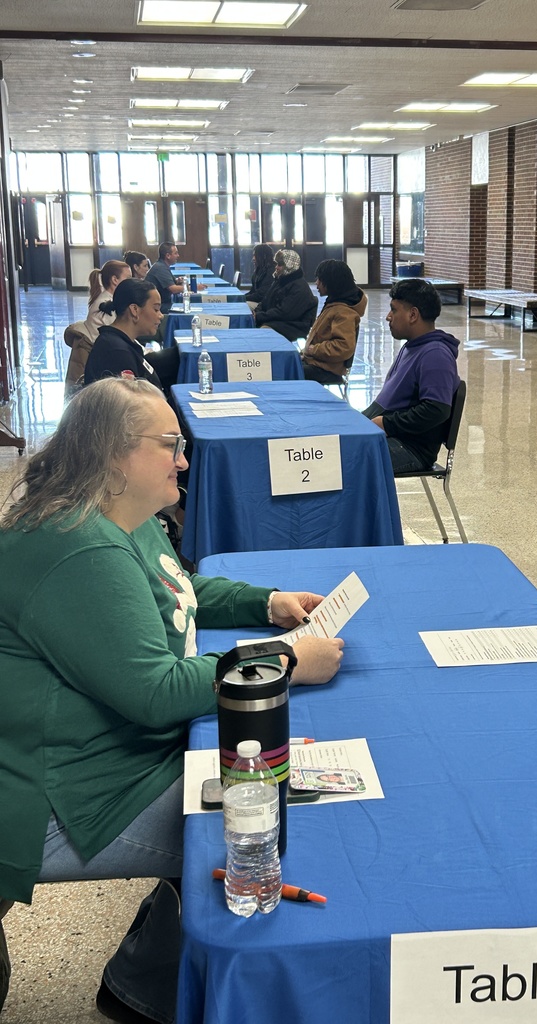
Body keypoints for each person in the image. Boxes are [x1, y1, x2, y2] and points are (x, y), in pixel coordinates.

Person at [0, 377, 344, 1023]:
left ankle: (144, 986)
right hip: (64, 791)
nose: (185, 459)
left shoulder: (117, 518)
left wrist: (267, 604)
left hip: (102, 757)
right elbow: (157, 692)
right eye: (171, 444)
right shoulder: (81, 547)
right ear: (113, 455)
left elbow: (180, 590)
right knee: (258, 823)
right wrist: (285, 661)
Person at [363, 278, 459, 473]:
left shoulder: (435, 354)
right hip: (392, 436)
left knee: (341, 457)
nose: (388, 316)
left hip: (409, 448)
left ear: (413, 314)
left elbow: (436, 410)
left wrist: (386, 423)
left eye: (394, 310)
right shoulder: (413, 346)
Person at [83, 279, 170, 391]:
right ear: (134, 310)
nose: (161, 316)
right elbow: (132, 404)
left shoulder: (123, 342)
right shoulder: (117, 353)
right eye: (156, 309)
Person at [64, 260, 132, 395]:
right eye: (128, 278)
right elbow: (120, 335)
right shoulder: (106, 306)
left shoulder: (108, 299)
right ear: (115, 280)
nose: (131, 282)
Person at [301, 259, 367, 385]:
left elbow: (343, 347)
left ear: (331, 283)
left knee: (288, 373)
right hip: (316, 362)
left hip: (326, 369)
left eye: (320, 280)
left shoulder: (343, 312)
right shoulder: (334, 303)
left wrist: (313, 349)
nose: (316, 284)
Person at [253, 249, 318, 342]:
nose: (276, 267)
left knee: (262, 333)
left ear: (289, 266)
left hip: (293, 326)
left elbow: (284, 313)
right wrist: (257, 312)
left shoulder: (299, 287)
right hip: (280, 321)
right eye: (276, 264)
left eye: (280, 265)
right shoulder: (281, 280)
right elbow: (265, 300)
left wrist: (259, 316)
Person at [144, 242, 184, 314]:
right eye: (175, 253)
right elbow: (173, 289)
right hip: (158, 307)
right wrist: (193, 288)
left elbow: (173, 282)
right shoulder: (160, 267)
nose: (178, 255)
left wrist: (178, 281)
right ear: (168, 256)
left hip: (163, 303)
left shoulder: (163, 265)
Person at [243, 243, 275, 311]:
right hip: (258, 301)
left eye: (255, 255)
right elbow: (253, 291)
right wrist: (242, 297)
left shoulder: (271, 272)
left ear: (263, 256)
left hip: (264, 305)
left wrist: (242, 298)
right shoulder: (259, 269)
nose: (253, 259)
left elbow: (261, 295)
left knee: (242, 306)